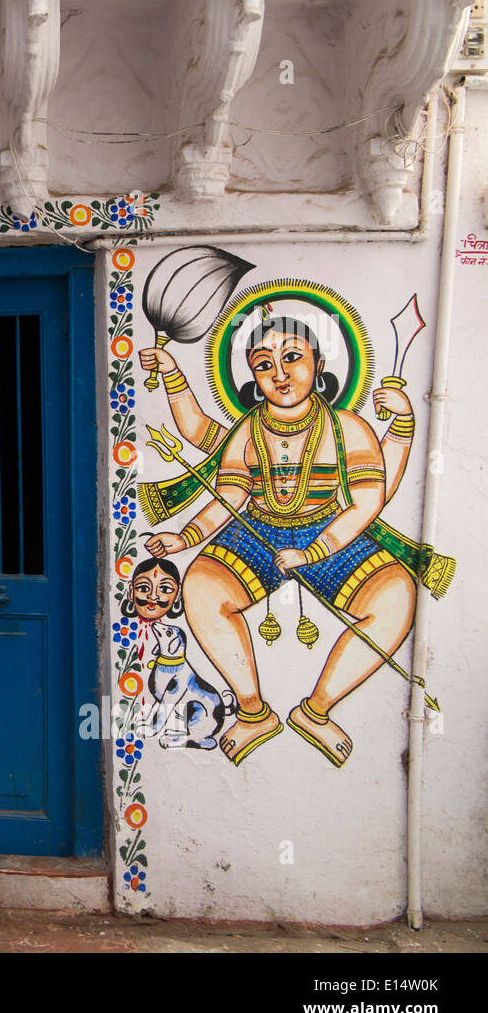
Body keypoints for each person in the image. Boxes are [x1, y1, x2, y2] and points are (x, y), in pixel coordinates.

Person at [143, 315, 416, 767]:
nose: (280, 374)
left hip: (329, 531)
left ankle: (317, 711)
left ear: (319, 363)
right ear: (252, 377)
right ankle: (252, 713)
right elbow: (229, 494)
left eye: (292, 358)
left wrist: (315, 551)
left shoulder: (347, 428)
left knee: (395, 599)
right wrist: (185, 536)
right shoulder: (247, 431)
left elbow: (369, 501)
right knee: (201, 589)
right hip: (258, 530)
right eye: (264, 365)